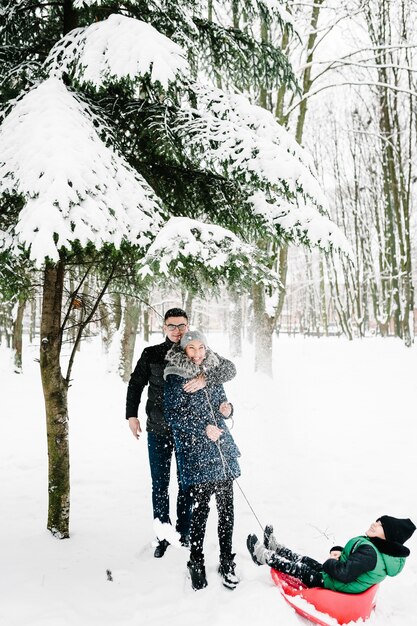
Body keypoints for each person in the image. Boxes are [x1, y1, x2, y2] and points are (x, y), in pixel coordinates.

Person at [126, 309, 236, 558]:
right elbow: (136, 383)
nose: (177, 330)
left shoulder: (195, 352)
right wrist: (131, 415)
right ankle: (162, 532)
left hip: (190, 433)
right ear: (164, 327)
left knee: (187, 482)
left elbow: (228, 369)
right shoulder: (152, 353)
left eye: (182, 325)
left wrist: (206, 379)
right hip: (159, 429)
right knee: (160, 484)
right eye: (172, 326)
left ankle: (184, 530)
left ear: (188, 326)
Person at [164, 330, 241, 591]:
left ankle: (226, 560)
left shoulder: (211, 370)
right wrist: (202, 428)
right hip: (197, 451)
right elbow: (174, 416)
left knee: (227, 509)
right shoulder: (174, 374)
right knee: (201, 510)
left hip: (220, 447)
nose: (197, 354)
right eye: (191, 349)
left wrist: (227, 409)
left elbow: (222, 400)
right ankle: (196, 560)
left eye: (201, 348)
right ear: (184, 350)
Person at [247, 515, 416, 593]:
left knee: (299, 569)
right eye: (377, 520)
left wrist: (331, 562)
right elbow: (358, 563)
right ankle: (277, 548)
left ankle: (263, 556)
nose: (374, 523)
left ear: (388, 537)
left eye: (380, 525)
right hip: (338, 579)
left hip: (335, 584)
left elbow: (344, 573)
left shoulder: (371, 553)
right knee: (306, 560)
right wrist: (341, 553)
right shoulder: (379, 551)